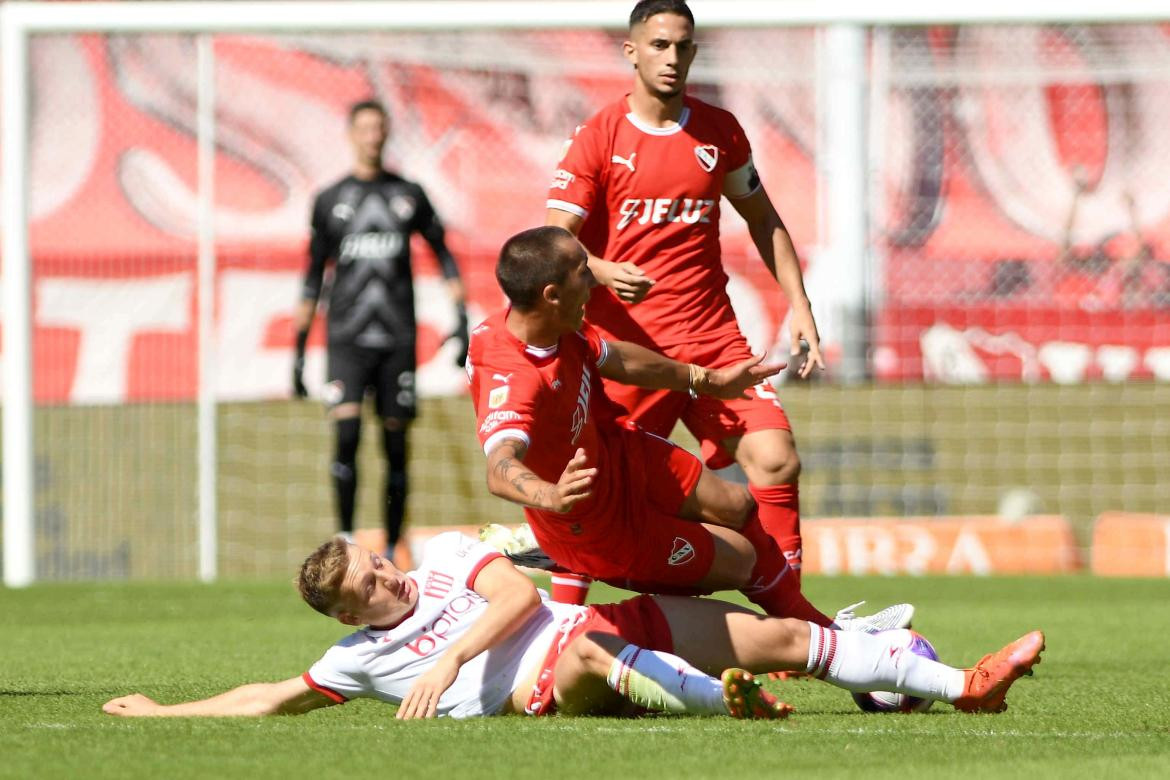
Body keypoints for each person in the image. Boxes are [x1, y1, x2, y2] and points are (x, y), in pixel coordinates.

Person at [466, 225, 909, 634]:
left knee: (737, 504)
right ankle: (826, 639)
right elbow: (500, 463)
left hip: (620, 454)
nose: (593, 280)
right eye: (585, 273)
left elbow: (617, 358)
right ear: (551, 294)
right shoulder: (516, 374)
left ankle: (822, 632)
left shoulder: (557, 324)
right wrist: (550, 497)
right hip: (596, 520)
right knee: (741, 563)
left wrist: (708, 380)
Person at [102, 532, 1045, 720]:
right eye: (369, 582)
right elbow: (266, 699)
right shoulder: (355, 659)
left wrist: (450, 659)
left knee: (789, 641)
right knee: (590, 654)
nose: (388, 575)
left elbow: (514, 595)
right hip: (562, 679)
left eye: (376, 560)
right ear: (349, 613)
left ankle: (963, 684)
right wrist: (155, 713)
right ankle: (728, 707)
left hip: (595, 616)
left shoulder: (439, 554)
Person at [546, 0, 821, 595]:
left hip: (714, 336)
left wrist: (800, 306)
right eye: (659, 46)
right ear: (633, 52)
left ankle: (793, 620)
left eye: (682, 46)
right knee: (591, 489)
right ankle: (558, 638)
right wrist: (600, 269)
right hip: (628, 351)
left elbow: (764, 219)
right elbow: (552, 240)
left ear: (694, 51)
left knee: (777, 461)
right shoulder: (600, 136)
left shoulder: (718, 131)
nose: (672, 58)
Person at [293, 99, 469, 564]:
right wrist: (297, 348)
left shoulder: (408, 194)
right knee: (346, 436)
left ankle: (395, 544)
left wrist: (461, 315)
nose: (373, 136)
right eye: (365, 128)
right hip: (347, 340)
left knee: (396, 445)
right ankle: (345, 540)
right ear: (351, 134)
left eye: (379, 128)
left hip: (397, 339)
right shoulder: (330, 200)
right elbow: (314, 274)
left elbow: (443, 253)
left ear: (387, 134)